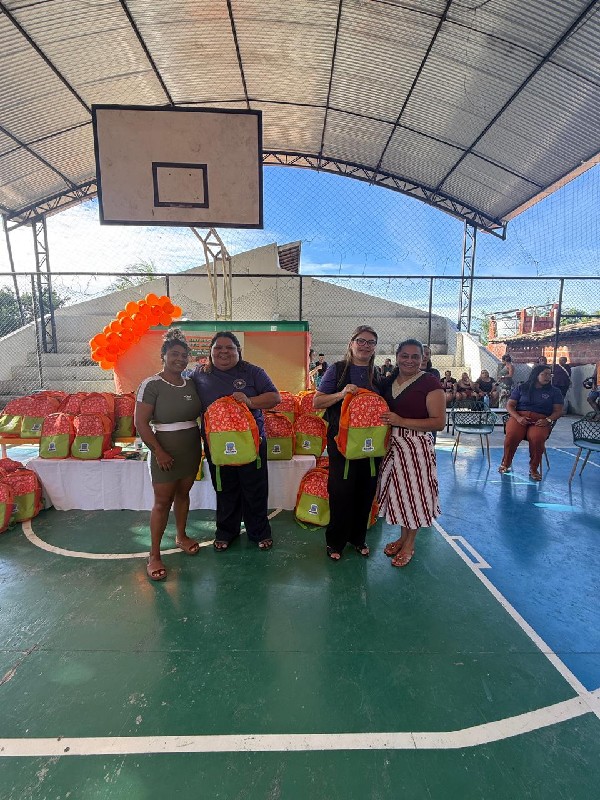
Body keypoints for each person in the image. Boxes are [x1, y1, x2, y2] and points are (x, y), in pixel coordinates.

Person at [192, 332, 281, 551]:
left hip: (250, 441)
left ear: (238, 351)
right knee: (224, 488)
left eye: (229, 348)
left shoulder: (253, 372)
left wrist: (249, 401)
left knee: (255, 488)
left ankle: (259, 532)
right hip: (217, 444)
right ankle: (226, 532)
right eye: (218, 348)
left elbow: (274, 397)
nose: (224, 352)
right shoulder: (199, 374)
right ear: (210, 352)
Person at [135, 328, 203, 582]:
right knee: (162, 502)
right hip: (164, 452)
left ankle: (181, 536)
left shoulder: (191, 383)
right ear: (163, 356)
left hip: (191, 450)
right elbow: (141, 423)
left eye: (184, 356)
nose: (180, 359)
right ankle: (154, 555)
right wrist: (159, 451)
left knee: (184, 494)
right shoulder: (151, 385)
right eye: (174, 354)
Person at [313, 325, 381, 560]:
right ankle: (335, 541)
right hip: (341, 441)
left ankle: (358, 538)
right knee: (341, 490)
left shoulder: (376, 373)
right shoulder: (338, 370)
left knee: (366, 490)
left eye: (370, 342)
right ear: (351, 343)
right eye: (360, 341)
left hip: (371, 443)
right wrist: (342, 394)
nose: (365, 346)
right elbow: (317, 402)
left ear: (375, 348)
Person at [378, 339, 445, 568]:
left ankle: (409, 544)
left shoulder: (430, 383)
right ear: (397, 356)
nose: (409, 360)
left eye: (415, 356)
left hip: (416, 446)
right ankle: (402, 537)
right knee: (400, 495)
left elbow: (438, 422)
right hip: (391, 445)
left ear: (423, 358)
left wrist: (401, 421)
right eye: (404, 355)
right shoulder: (388, 381)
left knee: (415, 496)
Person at [498, 364, 564, 481]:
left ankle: (533, 468)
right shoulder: (522, 388)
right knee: (512, 436)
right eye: (545, 374)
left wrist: (548, 420)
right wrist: (518, 417)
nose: (548, 377)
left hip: (540, 420)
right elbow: (510, 405)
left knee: (537, 438)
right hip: (519, 418)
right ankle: (506, 463)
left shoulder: (554, 391)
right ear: (536, 375)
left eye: (550, 374)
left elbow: (558, 411)